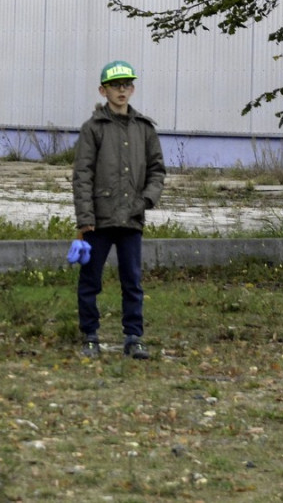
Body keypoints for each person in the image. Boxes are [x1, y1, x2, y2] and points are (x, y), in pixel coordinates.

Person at [73, 60, 166, 360]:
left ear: (133, 89)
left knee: (132, 281)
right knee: (90, 281)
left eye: (126, 84)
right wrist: (85, 218)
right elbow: (82, 174)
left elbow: (157, 170)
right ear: (103, 90)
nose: (121, 90)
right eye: (115, 85)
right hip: (98, 221)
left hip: (131, 220)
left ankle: (134, 336)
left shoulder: (144, 129)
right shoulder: (93, 129)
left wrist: (145, 201)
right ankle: (90, 335)